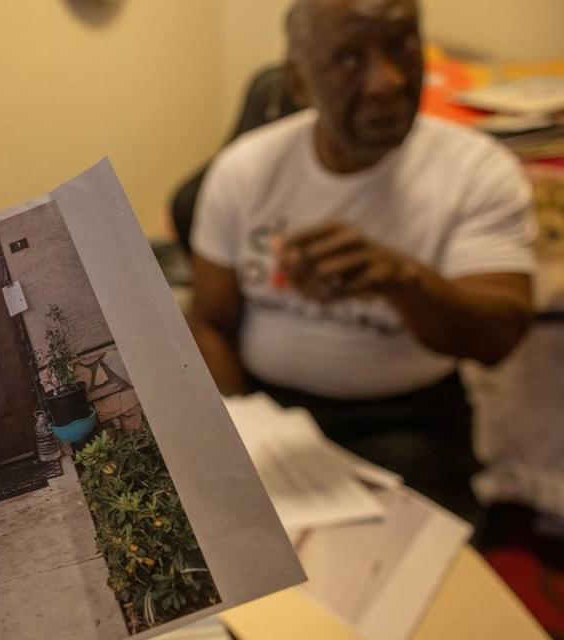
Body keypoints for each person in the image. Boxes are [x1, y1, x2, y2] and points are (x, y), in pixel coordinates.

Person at [189, 0, 535, 523]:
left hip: (408, 422)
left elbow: (498, 336)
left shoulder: (480, 172)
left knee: (419, 582)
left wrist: (403, 281)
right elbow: (210, 319)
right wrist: (239, 424)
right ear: (299, 82)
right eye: (349, 58)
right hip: (270, 410)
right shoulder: (245, 169)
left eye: (402, 44)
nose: (387, 81)